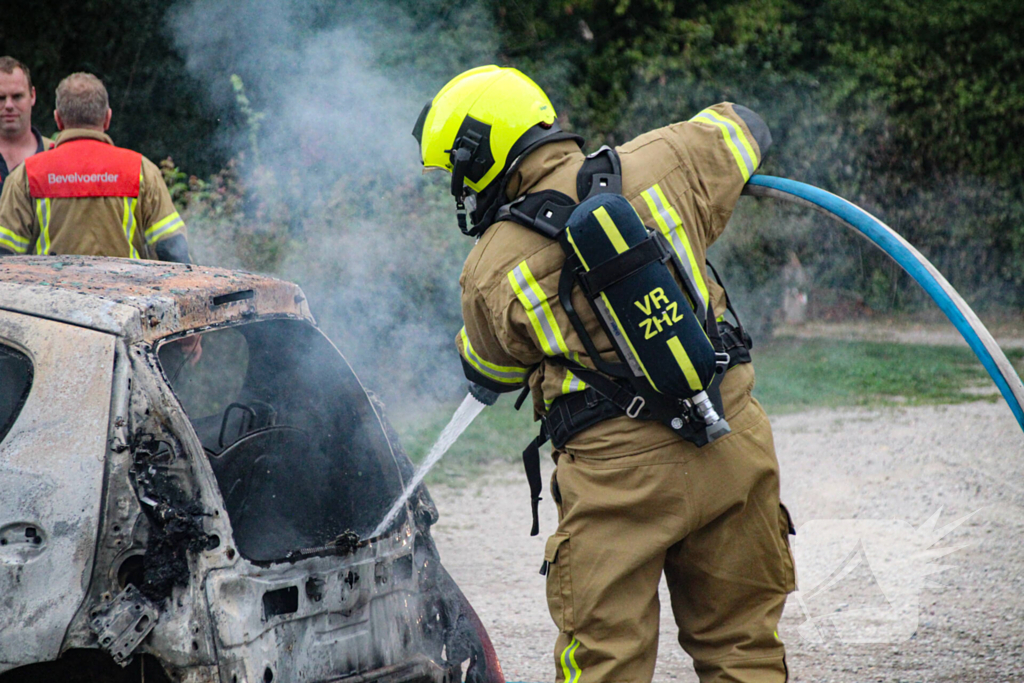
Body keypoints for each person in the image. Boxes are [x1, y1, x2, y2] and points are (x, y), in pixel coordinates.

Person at [414, 65, 796, 683]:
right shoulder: (668, 157)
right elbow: (745, 127)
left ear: (478, 153)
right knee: (743, 648)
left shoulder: (489, 267)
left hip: (618, 481)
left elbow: (489, 368)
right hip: (732, 444)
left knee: (604, 664)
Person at [0, 72, 191, 263]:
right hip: (125, 284)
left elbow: (4, 255)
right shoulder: (141, 171)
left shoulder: (27, 175)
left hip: (51, 283)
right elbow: (172, 251)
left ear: (58, 120)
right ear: (107, 118)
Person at [0, 57, 54, 196]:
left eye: (17, 96)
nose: (9, 105)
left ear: (33, 96)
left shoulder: (55, 155)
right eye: (1, 98)